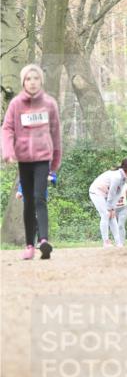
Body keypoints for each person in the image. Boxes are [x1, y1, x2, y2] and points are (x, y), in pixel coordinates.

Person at [2, 63, 61, 261]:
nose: (33, 82)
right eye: (29, 79)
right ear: (23, 82)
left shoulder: (49, 104)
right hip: (24, 159)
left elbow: (56, 133)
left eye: (36, 78)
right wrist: (9, 151)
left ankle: (43, 241)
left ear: (41, 81)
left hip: (43, 158)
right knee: (28, 202)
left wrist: (55, 163)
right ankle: (29, 245)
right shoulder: (16, 104)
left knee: (39, 198)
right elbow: (7, 128)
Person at [89, 159, 127, 248]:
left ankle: (118, 242)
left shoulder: (124, 178)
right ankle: (106, 242)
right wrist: (110, 208)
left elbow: (118, 194)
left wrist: (112, 208)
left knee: (112, 216)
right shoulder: (117, 177)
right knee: (106, 214)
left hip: (105, 194)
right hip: (96, 192)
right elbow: (112, 193)